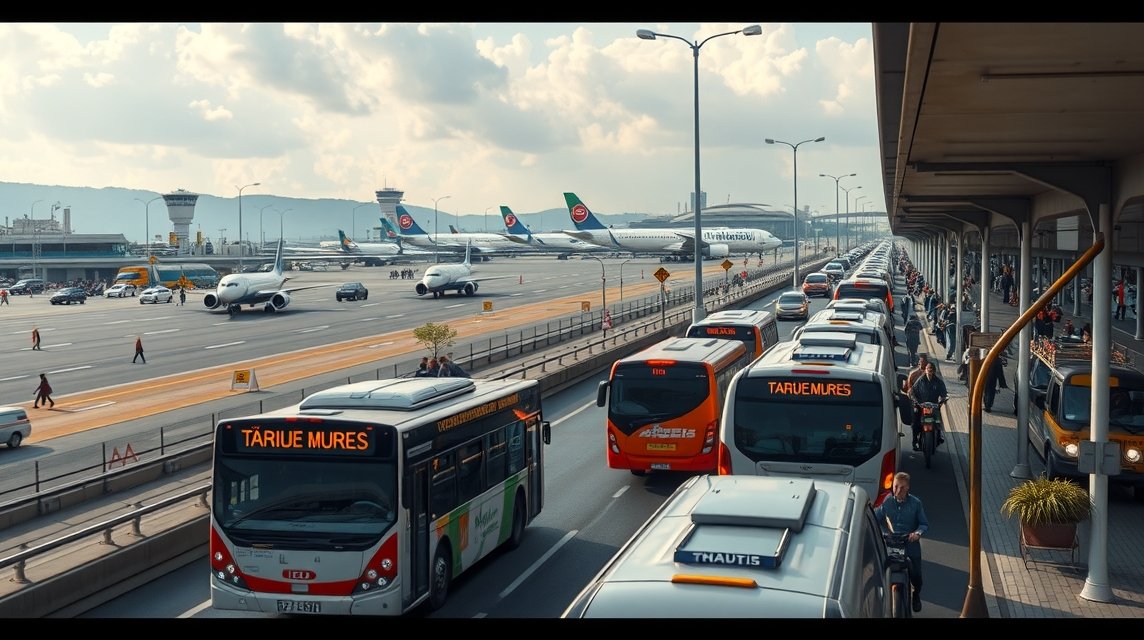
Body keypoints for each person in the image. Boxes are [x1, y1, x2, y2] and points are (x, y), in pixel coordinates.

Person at [873, 471, 929, 613]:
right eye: (895, 486)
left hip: (910, 545)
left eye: (902, 487)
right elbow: (875, 519)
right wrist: (881, 533)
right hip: (891, 544)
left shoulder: (916, 503)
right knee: (877, 570)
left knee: (916, 575)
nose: (898, 491)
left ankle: (916, 594)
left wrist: (917, 533)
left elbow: (924, 524)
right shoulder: (887, 502)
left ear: (908, 488)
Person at [908, 361, 948, 450]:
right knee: (915, 423)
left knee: (938, 421)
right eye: (927, 369)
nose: (929, 372)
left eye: (931, 370)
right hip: (921, 405)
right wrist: (915, 400)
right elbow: (912, 391)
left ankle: (940, 435)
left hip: (933, 406)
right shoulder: (920, 380)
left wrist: (943, 399)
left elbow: (944, 393)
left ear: (934, 371)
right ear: (925, 370)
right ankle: (915, 441)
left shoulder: (938, 382)